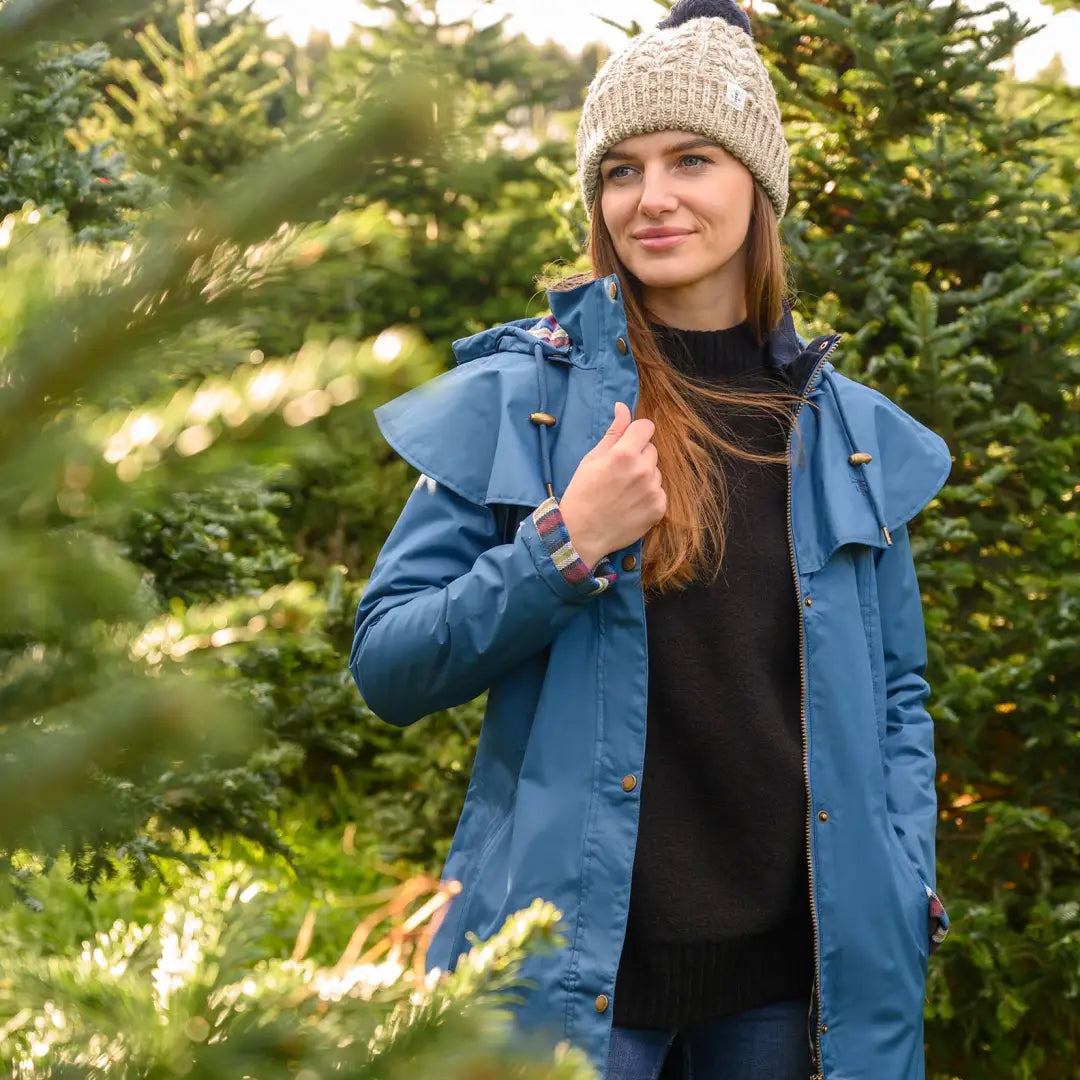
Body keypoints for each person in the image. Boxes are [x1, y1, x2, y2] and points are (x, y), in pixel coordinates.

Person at [349, 0, 951, 1076]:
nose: (652, 197)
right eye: (620, 169)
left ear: (755, 187)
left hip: (787, 988)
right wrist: (562, 546)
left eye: (691, 160)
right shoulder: (524, 404)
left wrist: (906, 873)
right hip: (575, 986)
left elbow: (900, 691)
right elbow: (389, 662)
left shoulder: (845, 433)